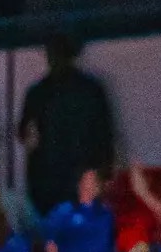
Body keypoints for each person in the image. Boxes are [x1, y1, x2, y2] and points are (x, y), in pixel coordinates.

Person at [19, 33, 115, 216]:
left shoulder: (38, 92)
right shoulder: (91, 89)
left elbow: (25, 134)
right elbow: (105, 135)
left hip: (52, 176)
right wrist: (105, 173)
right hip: (75, 174)